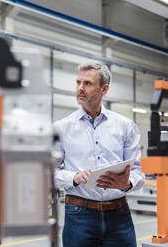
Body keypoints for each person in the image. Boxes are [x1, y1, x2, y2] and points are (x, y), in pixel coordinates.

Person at [54, 61, 145, 247]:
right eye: (78, 82)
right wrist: (75, 177)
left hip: (119, 216)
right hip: (79, 215)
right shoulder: (61, 128)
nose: (80, 88)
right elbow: (48, 173)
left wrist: (126, 184)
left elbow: (138, 171)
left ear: (104, 89)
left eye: (87, 83)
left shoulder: (125, 127)